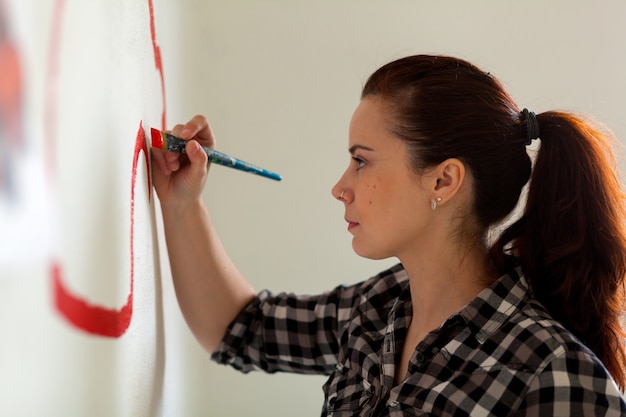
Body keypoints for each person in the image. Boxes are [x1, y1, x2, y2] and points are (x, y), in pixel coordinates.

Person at [151, 54, 626, 416]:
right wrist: (180, 203)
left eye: (362, 160)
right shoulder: (376, 310)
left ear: (443, 181)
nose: (341, 188)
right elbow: (241, 330)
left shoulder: (555, 373)